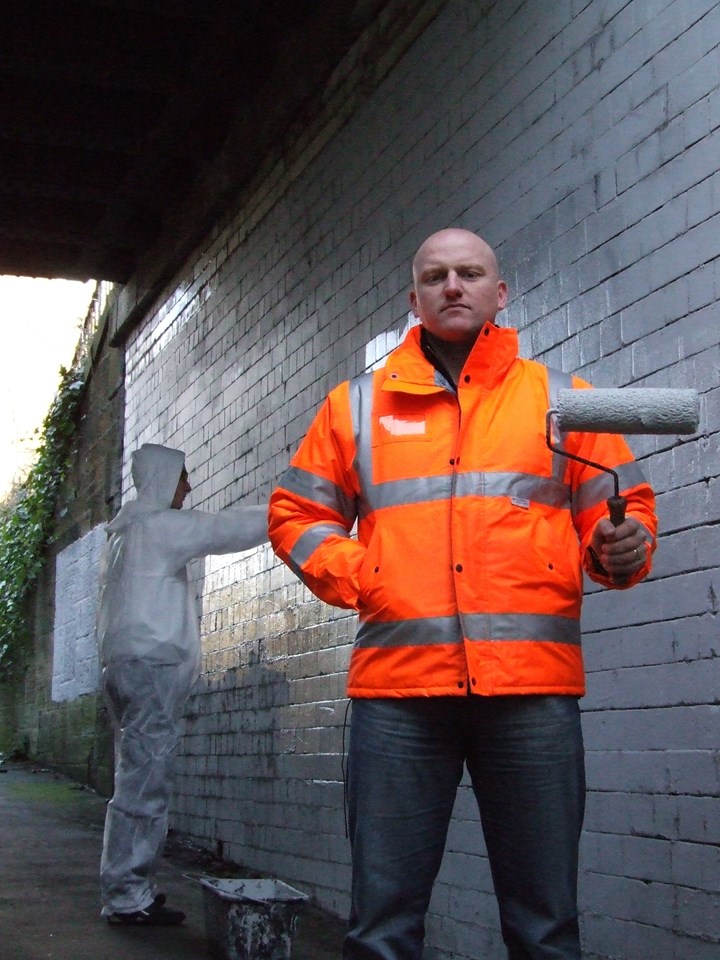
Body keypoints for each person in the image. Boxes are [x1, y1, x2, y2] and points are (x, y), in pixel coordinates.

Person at [268, 228, 657, 959]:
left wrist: (622, 546)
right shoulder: (354, 406)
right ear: (413, 298)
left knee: (546, 926)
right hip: (400, 698)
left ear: (499, 293)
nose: (454, 285)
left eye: (470, 273)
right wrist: (367, 578)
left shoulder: (564, 400)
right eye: (436, 275)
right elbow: (295, 514)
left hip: (532, 694)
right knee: (382, 926)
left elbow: (626, 510)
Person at [97, 442, 267, 925]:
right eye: (183, 476)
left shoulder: (124, 532)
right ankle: (128, 897)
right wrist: (290, 506)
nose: (188, 486)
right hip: (154, 665)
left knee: (134, 776)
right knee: (145, 783)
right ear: (164, 478)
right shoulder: (157, 525)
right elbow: (223, 528)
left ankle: (128, 888)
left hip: (126, 665)